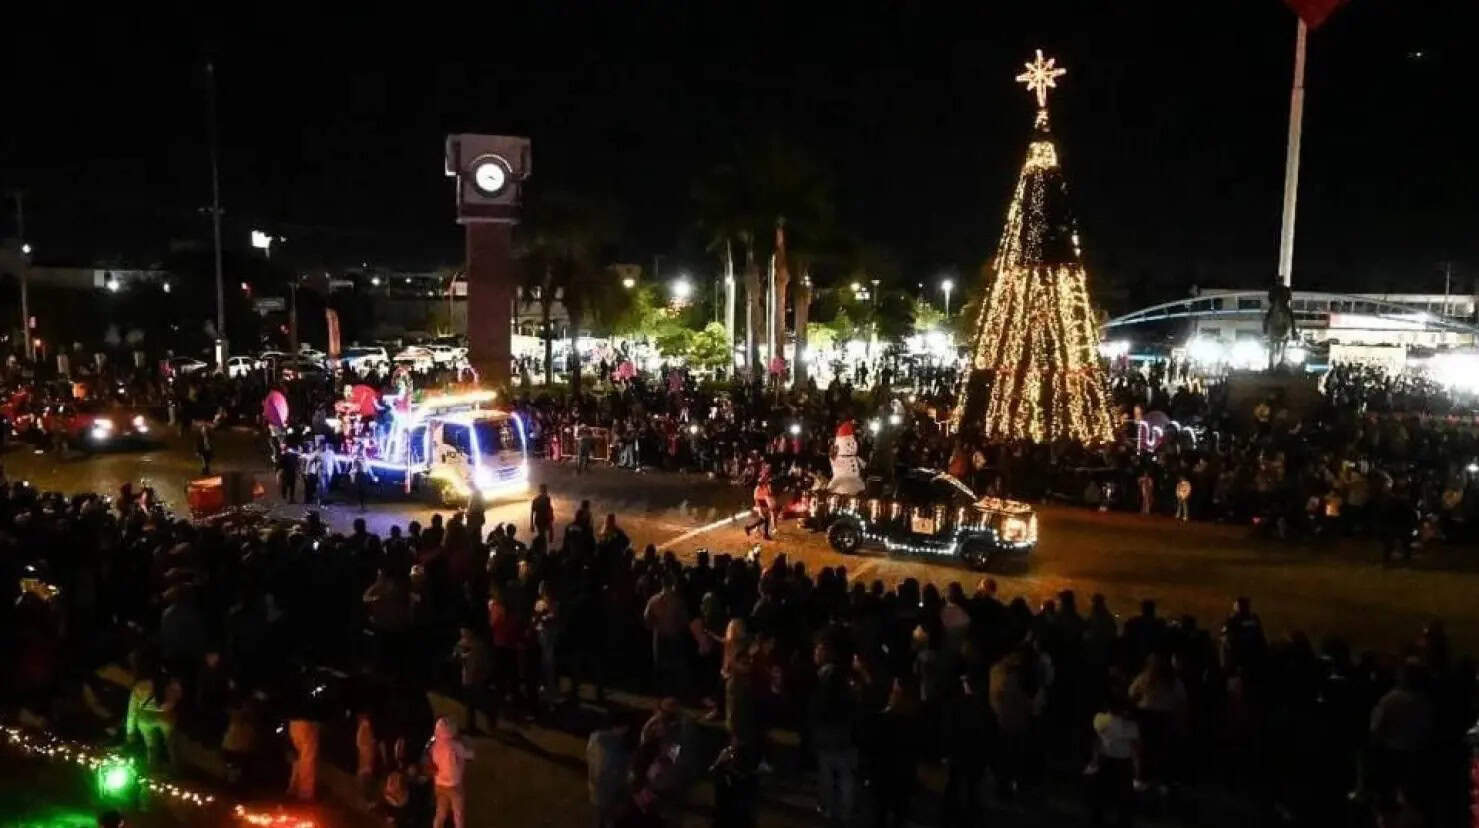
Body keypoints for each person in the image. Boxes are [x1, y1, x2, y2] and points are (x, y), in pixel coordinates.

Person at [1088, 692, 1140, 827]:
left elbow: (1097, 742)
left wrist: (1094, 760)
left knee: (1100, 793)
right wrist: (1138, 767)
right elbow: (1135, 748)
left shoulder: (1099, 719)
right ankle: (1123, 821)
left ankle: (1097, 819)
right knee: (1124, 797)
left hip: (1104, 760)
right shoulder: (1130, 726)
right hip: (1123, 763)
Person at [588, 712, 639, 828]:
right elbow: (596, 767)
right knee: (604, 814)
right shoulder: (601, 741)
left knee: (610, 813)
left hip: (616, 785)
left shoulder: (621, 740)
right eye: (624, 727)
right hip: (606, 786)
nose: (626, 730)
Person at [427, 716, 474, 828]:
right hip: (455, 785)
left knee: (440, 813)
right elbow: (469, 755)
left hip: (439, 785)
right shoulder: (455, 746)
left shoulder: (434, 747)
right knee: (458, 814)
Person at [452, 625, 492, 734]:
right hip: (471, 678)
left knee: (475, 703)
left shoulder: (476, 645)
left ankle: (484, 724)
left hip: (474, 678)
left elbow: (456, 659)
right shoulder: (471, 645)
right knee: (471, 704)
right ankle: (473, 726)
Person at [743, 468, 774, 540]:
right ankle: (765, 535)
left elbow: (768, 495)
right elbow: (756, 499)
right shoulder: (757, 489)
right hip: (760, 504)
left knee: (763, 520)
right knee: (765, 519)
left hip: (764, 503)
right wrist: (760, 508)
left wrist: (769, 503)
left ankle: (748, 528)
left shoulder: (765, 487)